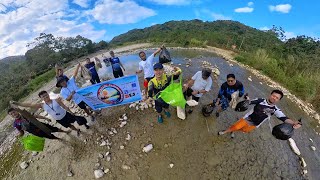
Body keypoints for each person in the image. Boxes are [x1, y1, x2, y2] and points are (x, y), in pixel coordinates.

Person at [218, 90, 301, 138]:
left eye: (277, 98)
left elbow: (284, 118)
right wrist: (245, 100)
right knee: (236, 126)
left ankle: (234, 131)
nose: (274, 98)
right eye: (273, 96)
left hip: (255, 124)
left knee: (244, 131)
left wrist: (294, 123)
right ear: (270, 95)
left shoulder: (275, 110)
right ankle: (225, 131)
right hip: (248, 118)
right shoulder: (261, 100)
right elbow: (250, 102)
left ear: (278, 100)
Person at [11, 90, 89, 135]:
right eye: (43, 96)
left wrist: (71, 111)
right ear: (41, 98)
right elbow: (29, 105)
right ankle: (77, 130)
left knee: (79, 119)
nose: (45, 97)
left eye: (46, 95)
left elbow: (64, 106)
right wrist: (18, 103)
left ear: (48, 94)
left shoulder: (56, 100)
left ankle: (85, 124)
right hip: (59, 119)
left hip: (66, 114)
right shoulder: (42, 105)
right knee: (69, 126)